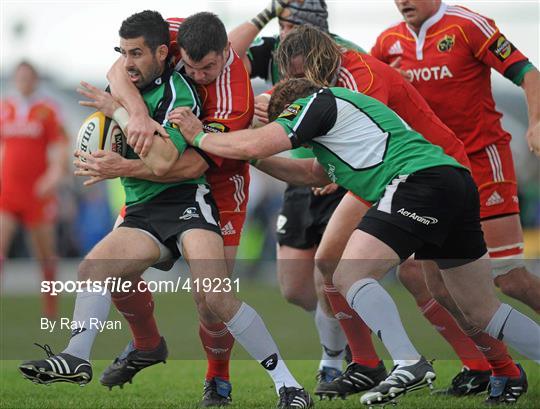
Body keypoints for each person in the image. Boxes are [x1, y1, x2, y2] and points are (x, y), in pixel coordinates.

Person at [168, 78, 539, 406]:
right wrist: (252, 158)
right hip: (452, 183)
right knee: (480, 310)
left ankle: (407, 361)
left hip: (417, 182)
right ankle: (508, 368)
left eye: (284, 119)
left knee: (347, 274)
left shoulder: (313, 102)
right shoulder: (338, 130)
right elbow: (307, 172)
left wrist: (200, 136)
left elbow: (260, 142)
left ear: (291, 109)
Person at [19, 11, 313, 409]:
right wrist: (132, 111)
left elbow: (178, 165)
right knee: (97, 271)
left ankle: (283, 385)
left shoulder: (212, 97)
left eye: (206, 67)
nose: (196, 73)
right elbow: (118, 71)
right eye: (189, 64)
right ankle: (83, 356)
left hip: (203, 191)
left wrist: (120, 125)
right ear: (174, 51)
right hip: (144, 204)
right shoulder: (158, 46)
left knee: (213, 299)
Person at [277, 24, 531, 400]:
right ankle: (492, 368)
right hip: (416, 173)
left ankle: (376, 363)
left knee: (334, 259)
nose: (298, 82)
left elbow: (359, 143)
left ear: (318, 59)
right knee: (437, 287)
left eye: (300, 73)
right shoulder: (346, 71)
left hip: (419, 172)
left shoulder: (358, 76)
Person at [229, 0, 366, 384]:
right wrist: (265, 13)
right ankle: (346, 336)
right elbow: (225, 55)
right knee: (293, 289)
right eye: (280, 22)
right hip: (298, 177)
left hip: (341, 179)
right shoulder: (273, 50)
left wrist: (348, 170)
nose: (281, 31)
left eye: (287, 23)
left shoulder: (347, 57)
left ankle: (335, 360)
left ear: (313, 28)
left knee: (330, 279)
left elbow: (369, 112)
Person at [0, 61, 69, 318]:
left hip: (37, 192)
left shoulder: (48, 110)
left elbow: (61, 145)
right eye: (20, 77)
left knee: (44, 253)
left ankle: (50, 308)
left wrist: (53, 176)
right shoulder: (5, 108)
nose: (24, 81)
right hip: (8, 190)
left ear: (36, 79)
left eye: (28, 77)